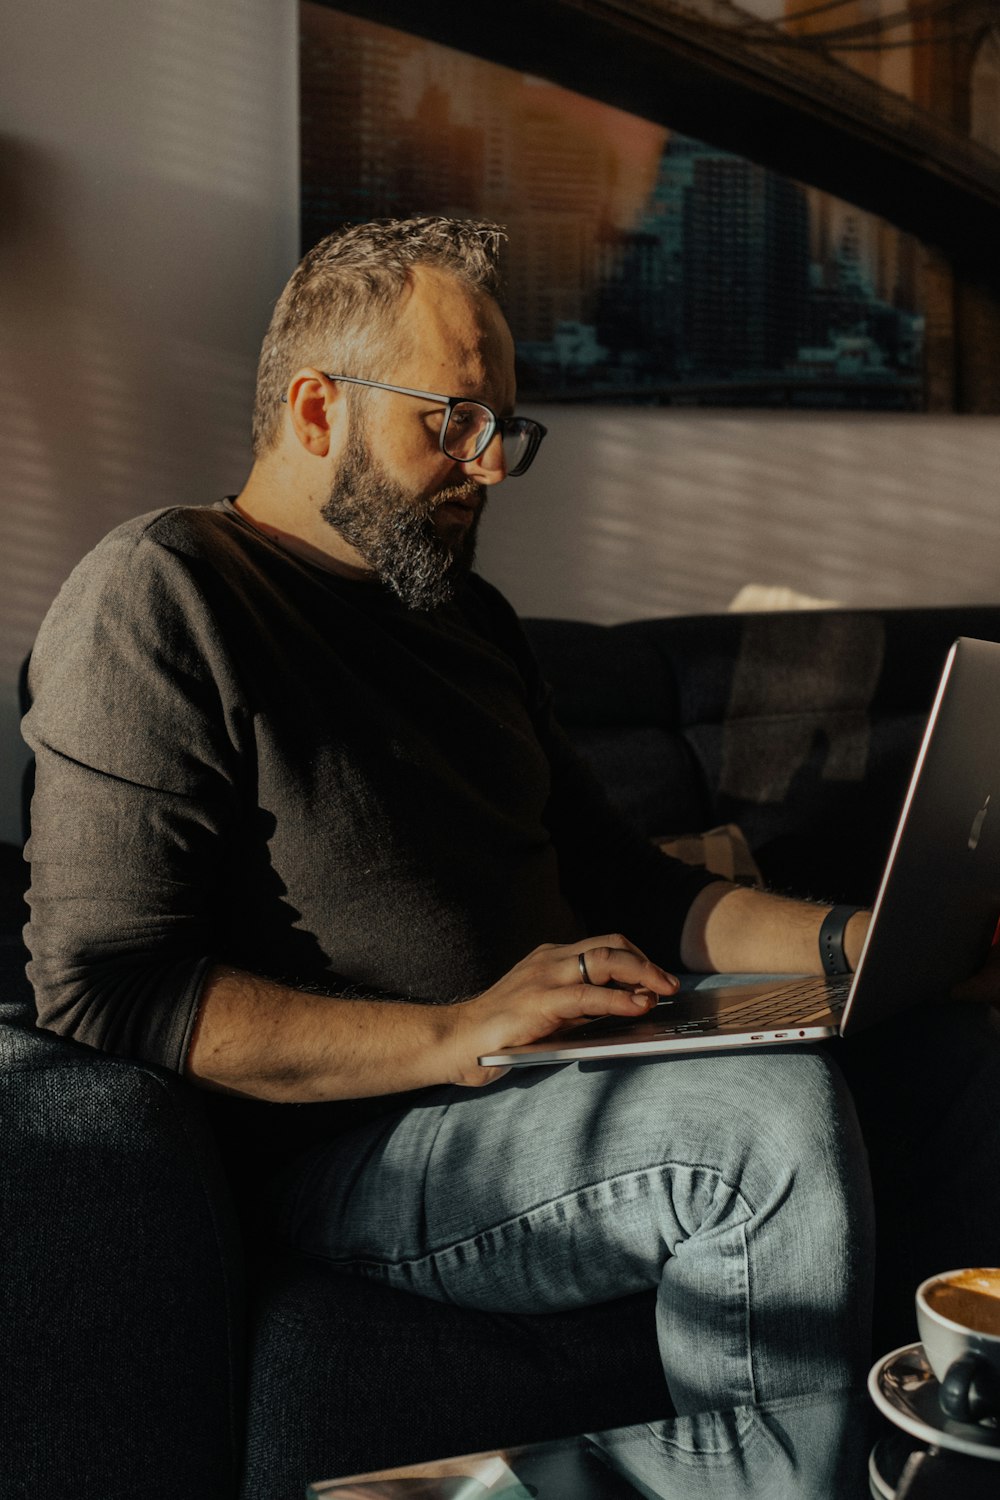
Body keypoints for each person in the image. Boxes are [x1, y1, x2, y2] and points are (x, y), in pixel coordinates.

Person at [20, 216, 997, 1415]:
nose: (489, 466)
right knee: (752, 1122)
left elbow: (635, 887)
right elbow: (106, 985)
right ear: (318, 410)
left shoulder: (467, 619)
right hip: (370, 1140)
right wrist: (461, 1032)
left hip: (558, 1070)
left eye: (502, 430)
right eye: (453, 422)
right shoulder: (160, 590)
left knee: (963, 1063)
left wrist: (876, 947)